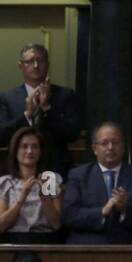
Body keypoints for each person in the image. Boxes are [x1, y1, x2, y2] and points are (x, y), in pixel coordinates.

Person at [62, 123, 132, 245]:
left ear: (123, 147)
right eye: (104, 143)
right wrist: (101, 212)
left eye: (115, 142)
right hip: (87, 248)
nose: (110, 147)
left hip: (128, 249)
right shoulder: (79, 175)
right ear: (95, 149)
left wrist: (125, 209)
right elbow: (69, 216)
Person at [0, 43, 81, 177]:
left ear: (48, 65)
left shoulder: (65, 95)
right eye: (30, 61)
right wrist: (26, 115)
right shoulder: (7, 98)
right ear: (20, 65)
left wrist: (46, 110)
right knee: (21, 199)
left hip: (53, 169)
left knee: (49, 198)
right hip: (18, 171)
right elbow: (1, 135)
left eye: (41, 61)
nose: (36, 65)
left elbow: (73, 133)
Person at [0, 126, 61, 244]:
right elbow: (1, 226)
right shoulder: (5, 182)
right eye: (24, 146)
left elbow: (56, 224)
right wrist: (21, 199)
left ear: (41, 151)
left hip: (44, 239)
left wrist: (45, 196)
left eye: (35, 147)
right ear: (15, 150)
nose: (29, 151)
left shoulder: (50, 179)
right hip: (12, 240)